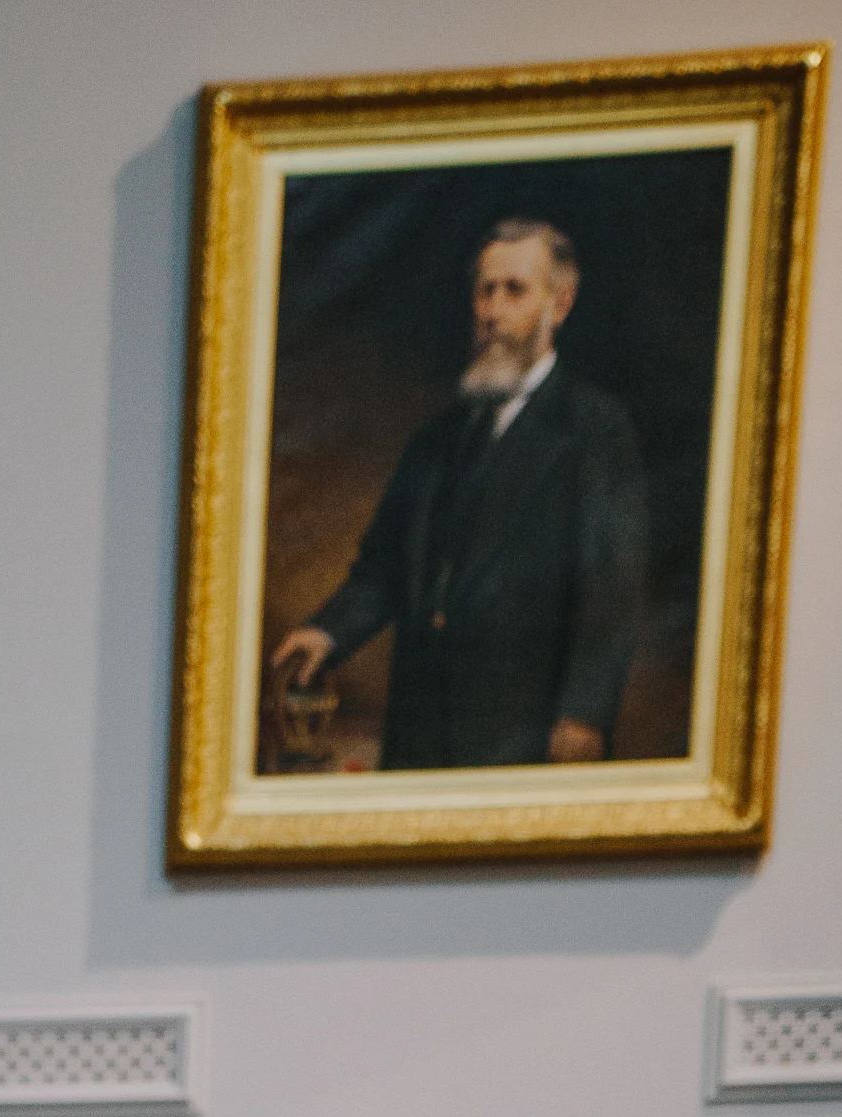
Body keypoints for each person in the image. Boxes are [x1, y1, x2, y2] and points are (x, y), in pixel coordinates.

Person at [269, 214, 646, 771]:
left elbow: (611, 591)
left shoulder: (593, 431)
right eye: (484, 291)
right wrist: (327, 632)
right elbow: (383, 569)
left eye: (513, 291)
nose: (491, 312)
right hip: (421, 734)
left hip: (521, 735)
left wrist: (585, 713)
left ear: (559, 306)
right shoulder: (437, 439)